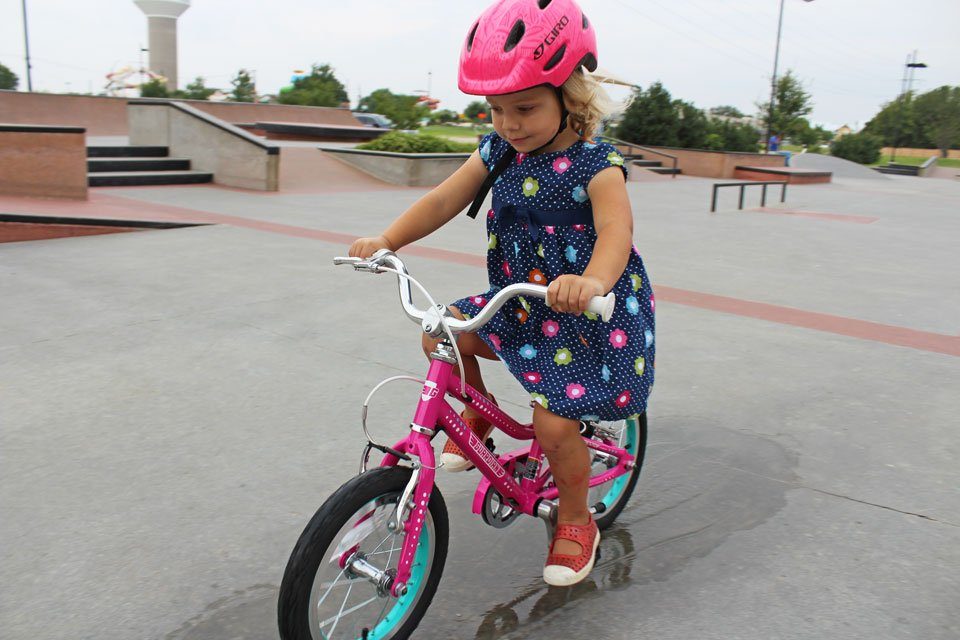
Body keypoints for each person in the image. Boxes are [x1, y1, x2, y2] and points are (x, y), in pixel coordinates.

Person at [349, 0, 655, 587]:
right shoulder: (498, 153)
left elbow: (617, 232)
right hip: (519, 300)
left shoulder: (597, 163)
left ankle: (574, 519)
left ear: (570, 95)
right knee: (440, 331)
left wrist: (591, 280)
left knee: (557, 426)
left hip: (586, 312)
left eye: (525, 107)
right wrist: (388, 239)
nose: (509, 123)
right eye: (495, 110)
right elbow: (442, 199)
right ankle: (479, 417)